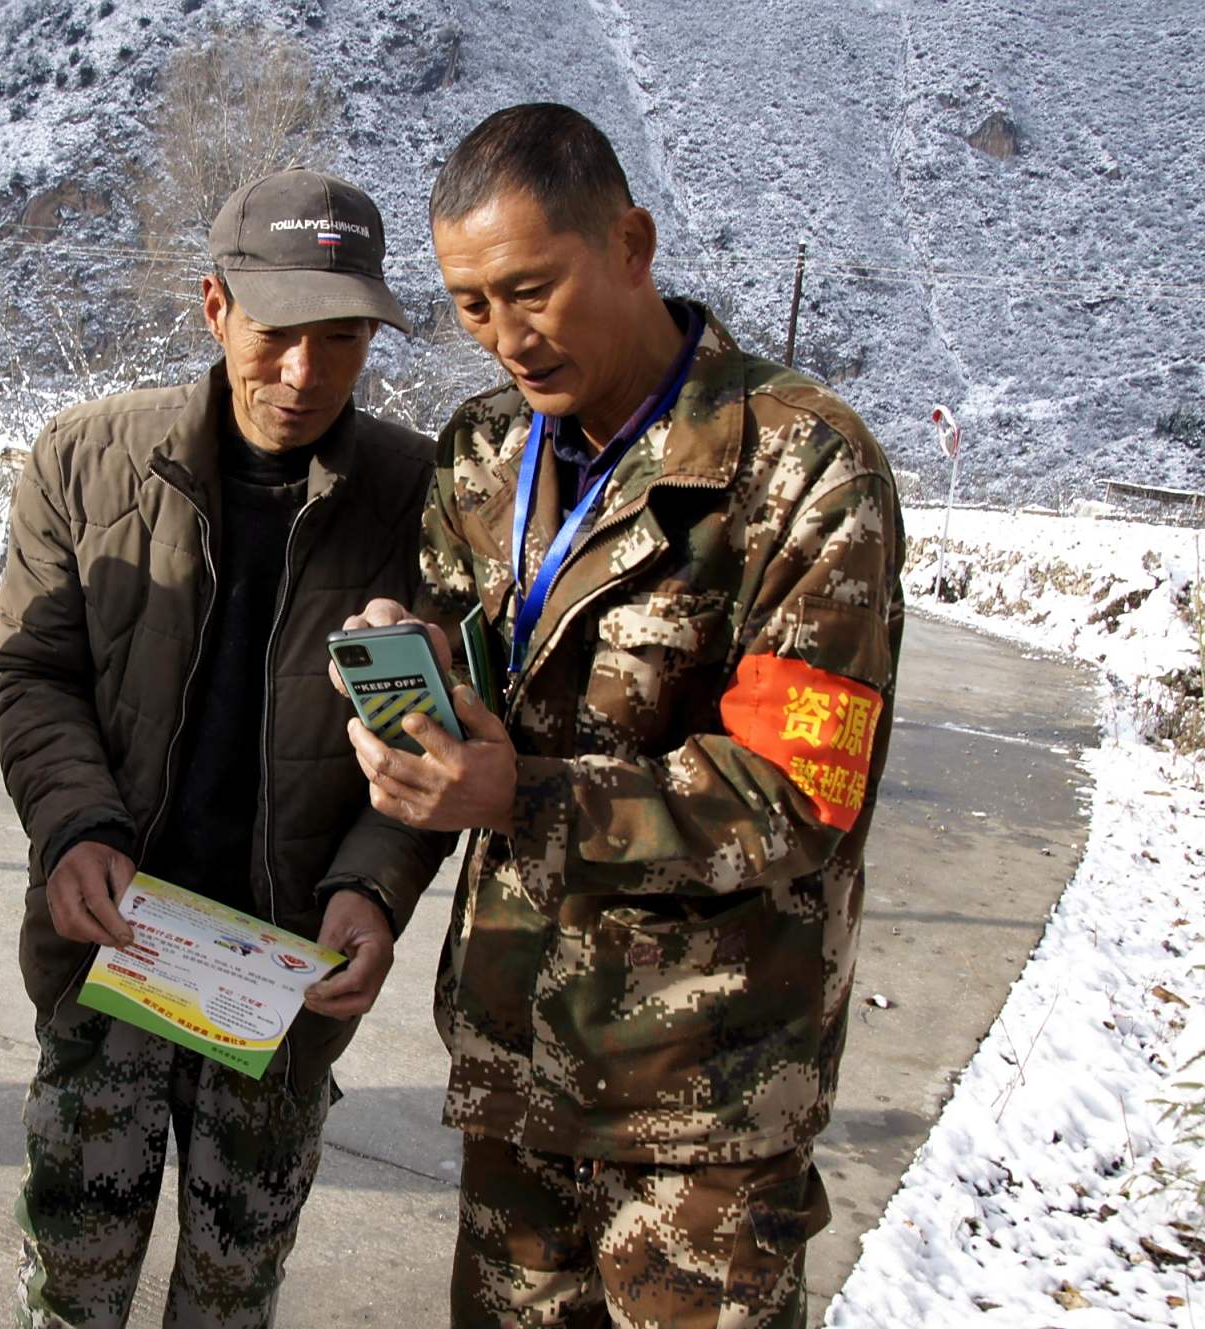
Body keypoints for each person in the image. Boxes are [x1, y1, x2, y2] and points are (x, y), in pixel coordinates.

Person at [343, 104, 906, 1327]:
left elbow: (796, 794)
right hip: (513, 1067)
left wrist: (523, 797)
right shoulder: (485, 456)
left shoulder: (800, 467)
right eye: (470, 306)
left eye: (530, 289)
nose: (506, 336)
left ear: (632, 243)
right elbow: (480, 685)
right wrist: (417, 686)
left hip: (700, 1108)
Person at [0, 168, 451, 1329]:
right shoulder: (86, 461)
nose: (303, 375)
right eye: (278, 332)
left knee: (234, 1290)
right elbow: (30, 671)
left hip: (279, 983)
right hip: (116, 952)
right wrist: (75, 826)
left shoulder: (418, 501)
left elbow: (424, 741)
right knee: (71, 1280)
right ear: (213, 307)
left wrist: (370, 888)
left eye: (340, 339)